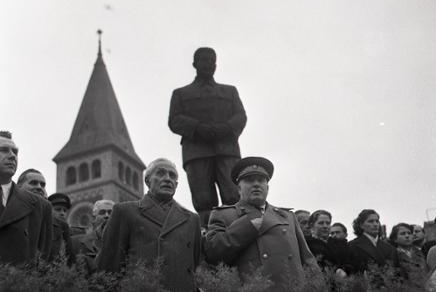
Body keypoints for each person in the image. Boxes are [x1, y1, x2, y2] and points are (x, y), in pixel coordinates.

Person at [204, 157, 322, 291]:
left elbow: (308, 260)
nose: (256, 184)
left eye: (261, 180)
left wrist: (319, 286)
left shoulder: (287, 216)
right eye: (249, 180)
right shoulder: (224, 215)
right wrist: (248, 225)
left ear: (267, 187)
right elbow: (213, 255)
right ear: (238, 188)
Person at [168, 47, 247, 227]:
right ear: (195, 64)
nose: (208, 64)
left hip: (227, 150)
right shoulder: (181, 94)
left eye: (212, 60)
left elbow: (240, 116)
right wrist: (197, 128)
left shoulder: (229, 91)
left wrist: (226, 128)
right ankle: (208, 236)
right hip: (197, 152)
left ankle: (238, 233)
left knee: (233, 195)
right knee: (203, 200)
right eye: (204, 60)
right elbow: (174, 120)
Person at [97, 158, 201, 292]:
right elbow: (108, 265)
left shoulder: (192, 220)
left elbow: (196, 266)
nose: (167, 178)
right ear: (147, 181)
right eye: (161, 173)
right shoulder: (125, 212)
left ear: (176, 184)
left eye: (172, 175)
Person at [0, 131, 52, 265]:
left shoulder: (40, 206)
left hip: (19, 284)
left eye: (15, 152)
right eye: (4, 150)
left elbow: (43, 261)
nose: (12, 156)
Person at [17, 170, 74, 264]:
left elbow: (71, 262)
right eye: (33, 183)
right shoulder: (7, 211)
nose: (39, 187)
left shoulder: (61, 226)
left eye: (42, 185)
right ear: (18, 187)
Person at [348, 209, 399, 275]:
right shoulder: (352, 246)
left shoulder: (391, 248)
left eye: (377, 221)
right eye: (370, 221)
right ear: (361, 225)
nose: (375, 224)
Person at [71, 199, 114, 273]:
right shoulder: (75, 242)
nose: (107, 216)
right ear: (94, 218)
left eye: (110, 213)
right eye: (102, 212)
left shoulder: (123, 244)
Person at [306, 210, 351, 274]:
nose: (325, 226)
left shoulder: (340, 244)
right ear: (312, 225)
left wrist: (344, 269)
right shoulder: (306, 244)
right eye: (321, 223)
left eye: (328, 223)